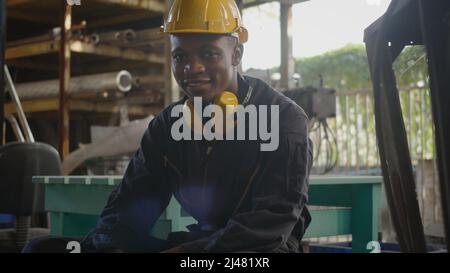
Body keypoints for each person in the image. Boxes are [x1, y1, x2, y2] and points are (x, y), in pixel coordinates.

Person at [23, 0, 312, 253]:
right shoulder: (169, 125)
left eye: (209, 54)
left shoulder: (283, 120)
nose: (192, 68)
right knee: (41, 247)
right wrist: (109, 244)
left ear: (236, 54)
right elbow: (131, 204)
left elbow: (269, 227)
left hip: (257, 252)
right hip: (196, 245)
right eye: (180, 56)